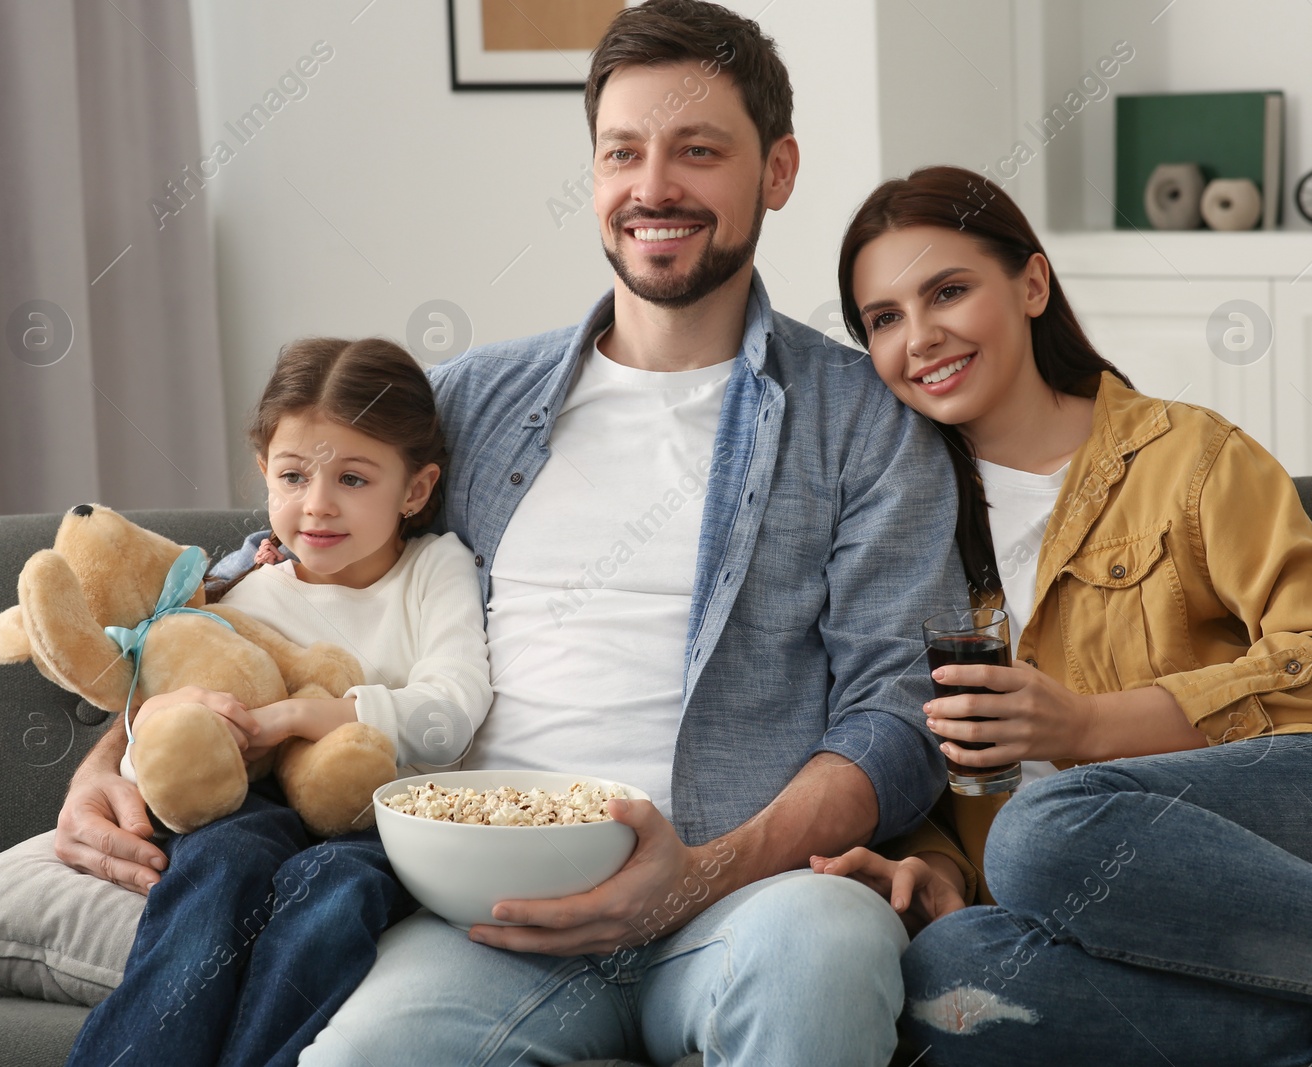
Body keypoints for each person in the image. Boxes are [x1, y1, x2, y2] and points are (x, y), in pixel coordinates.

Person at [56, 2, 967, 1063]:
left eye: (698, 151)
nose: (654, 186)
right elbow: (263, 581)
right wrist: (109, 753)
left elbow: (893, 720)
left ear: (776, 170)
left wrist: (699, 873)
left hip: (744, 903)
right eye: (622, 151)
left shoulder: (865, 421)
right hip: (486, 911)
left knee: (826, 953)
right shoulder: (471, 400)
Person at [814, 165, 1312, 1063]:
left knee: (1040, 832)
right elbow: (940, 768)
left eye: (948, 290)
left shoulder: (1185, 453)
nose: (921, 336)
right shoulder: (903, 533)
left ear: (1031, 285)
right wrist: (939, 871)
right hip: (1105, 907)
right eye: (884, 318)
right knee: (942, 968)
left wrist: (1088, 723)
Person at [65, 337, 492, 1066]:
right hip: (252, 807)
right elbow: (162, 762)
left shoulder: (434, 568)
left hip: (379, 815)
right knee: (217, 869)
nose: (317, 506)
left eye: (354, 479)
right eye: (293, 476)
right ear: (265, 473)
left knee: (333, 890)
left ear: (415, 490)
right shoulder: (243, 595)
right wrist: (171, 719)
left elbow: (451, 707)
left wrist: (300, 716)